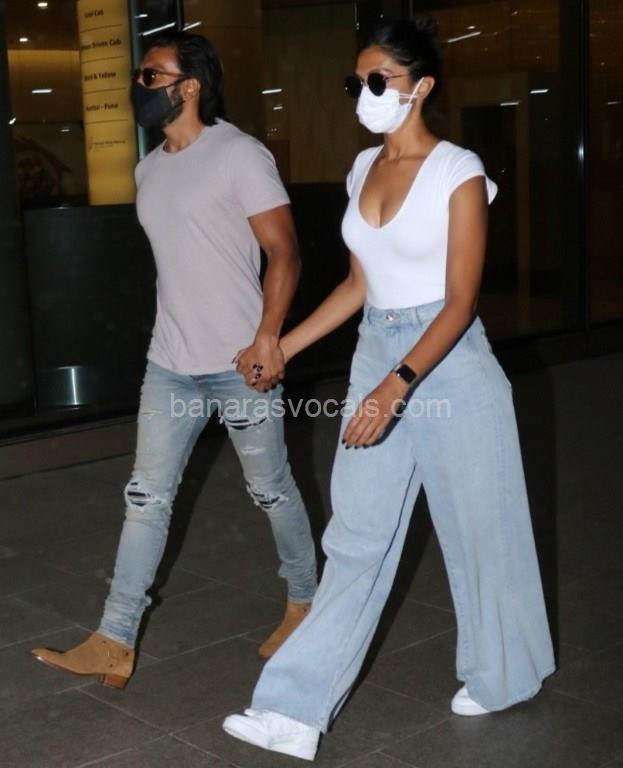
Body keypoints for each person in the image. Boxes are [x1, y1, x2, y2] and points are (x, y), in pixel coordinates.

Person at [223, 16, 556, 762]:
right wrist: (280, 346)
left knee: (481, 533)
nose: (365, 93)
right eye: (357, 81)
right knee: (356, 534)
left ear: (422, 86)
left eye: (380, 80)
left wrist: (397, 385)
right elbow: (358, 284)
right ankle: (292, 711)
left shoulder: (457, 170)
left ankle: (505, 676)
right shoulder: (360, 168)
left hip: (448, 363)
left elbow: (460, 301)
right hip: (376, 349)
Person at [31, 31, 317, 688]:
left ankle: (306, 601)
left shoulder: (240, 154)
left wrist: (269, 338)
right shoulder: (148, 168)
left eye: (152, 76)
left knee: (270, 490)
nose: (140, 87)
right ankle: (115, 638)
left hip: (240, 362)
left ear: (190, 86)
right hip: (170, 362)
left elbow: (285, 253)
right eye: (141, 75)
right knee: (145, 498)